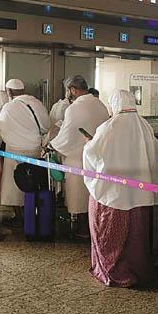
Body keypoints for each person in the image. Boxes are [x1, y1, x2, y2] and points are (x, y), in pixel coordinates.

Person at [83, 90, 158, 287]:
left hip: (114, 195)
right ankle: (137, 270)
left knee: (110, 236)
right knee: (137, 239)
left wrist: (89, 144)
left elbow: (93, 152)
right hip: (140, 195)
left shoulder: (109, 126)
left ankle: (111, 270)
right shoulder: (144, 125)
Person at [50, 75, 109, 238]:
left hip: (78, 158)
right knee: (93, 194)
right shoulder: (100, 105)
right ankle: (94, 227)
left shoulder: (74, 108)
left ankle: (82, 228)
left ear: (73, 90)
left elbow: (67, 135)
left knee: (78, 195)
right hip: (98, 159)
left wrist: (52, 145)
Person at [0, 79, 50, 223]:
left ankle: (19, 216)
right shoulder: (37, 103)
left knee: (14, 185)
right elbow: (46, 126)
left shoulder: (8, 108)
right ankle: (33, 215)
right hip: (35, 150)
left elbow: (2, 129)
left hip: (14, 151)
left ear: (9, 92)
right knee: (33, 182)